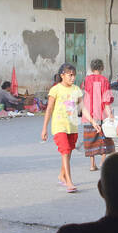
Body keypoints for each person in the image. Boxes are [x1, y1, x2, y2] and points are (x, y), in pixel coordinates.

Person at [41, 63, 84, 193]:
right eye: (70, 75)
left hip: (72, 126)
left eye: (74, 75)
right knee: (65, 151)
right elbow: (49, 109)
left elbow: (82, 108)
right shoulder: (56, 89)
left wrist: (92, 121)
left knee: (68, 152)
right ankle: (69, 182)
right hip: (59, 126)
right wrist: (44, 128)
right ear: (62, 75)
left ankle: (61, 175)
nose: (72, 78)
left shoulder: (76, 89)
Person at [80, 59, 115, 171]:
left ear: (91, 68)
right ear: (102, 68)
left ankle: (92, 164)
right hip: (101, 115)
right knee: (104, 138)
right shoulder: (104, 80)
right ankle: (103, 162)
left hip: (88, 115)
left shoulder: (86, 80)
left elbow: (82, 96)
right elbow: (106, 100)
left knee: (90, 140)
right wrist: (110, 115)